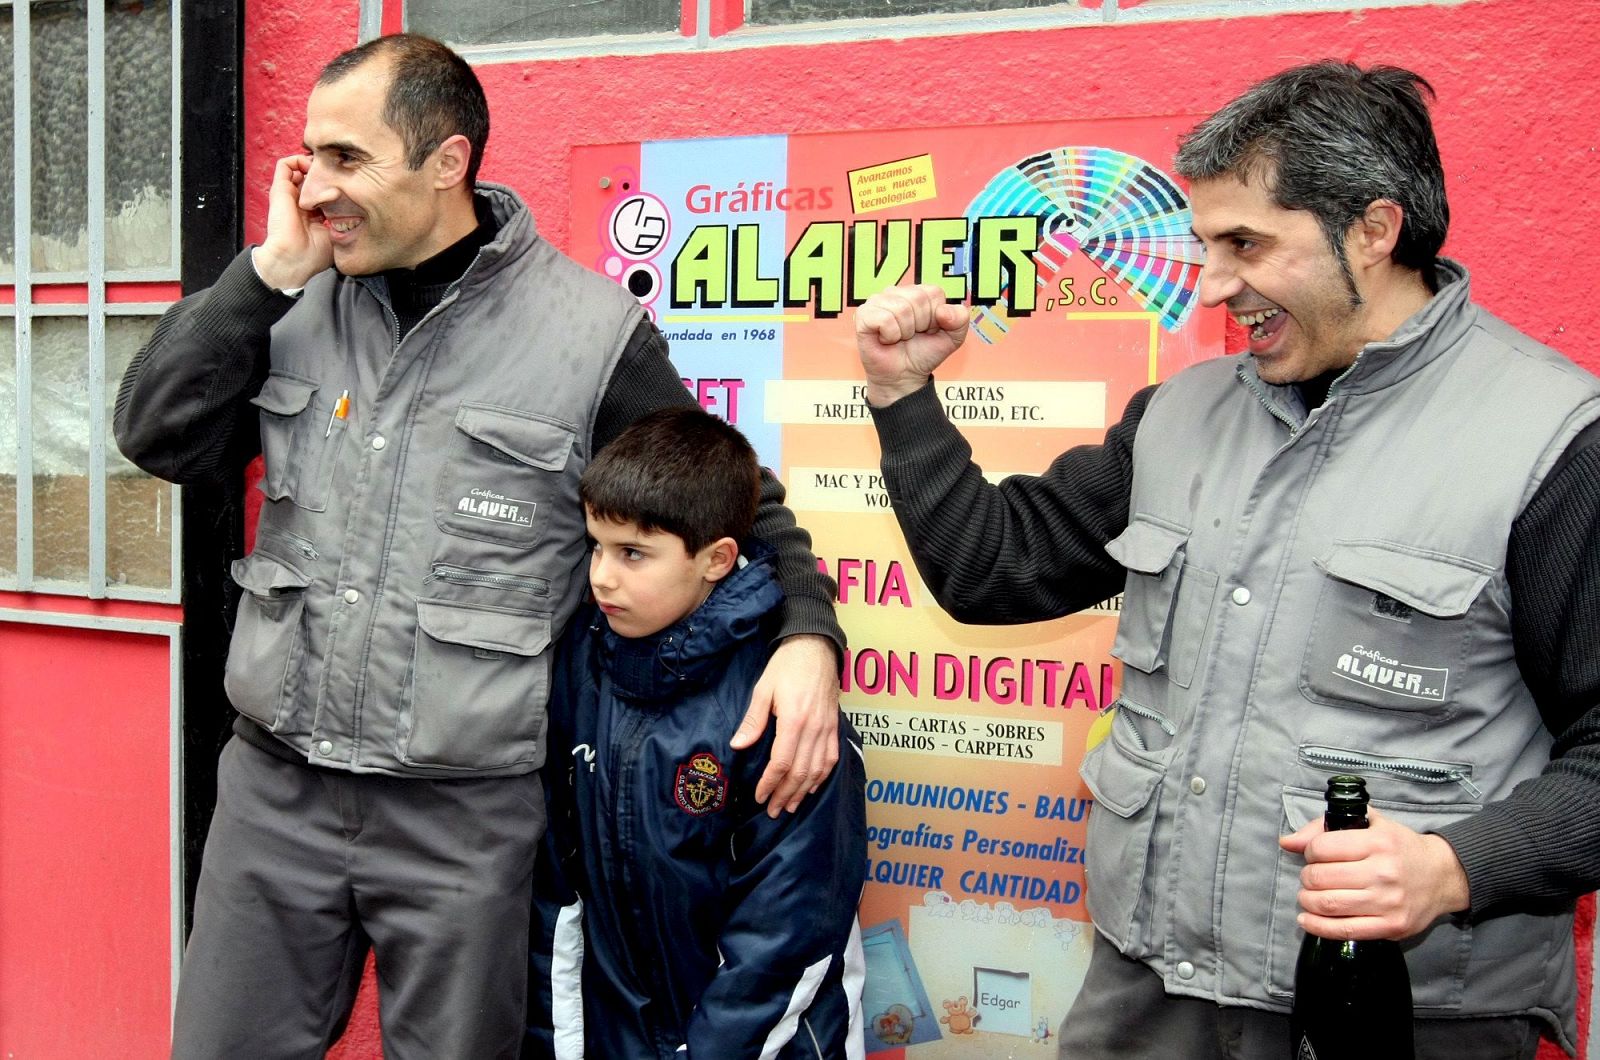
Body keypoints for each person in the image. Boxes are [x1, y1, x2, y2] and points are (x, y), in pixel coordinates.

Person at [113, 33, 844, 1059]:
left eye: (348, 158)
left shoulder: (588, 334)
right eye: (310, 156)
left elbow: (736, 503)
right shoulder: (289, 303)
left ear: (447, 162)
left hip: (466, 818)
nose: (317, 186)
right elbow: (156, 436)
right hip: (276, 792)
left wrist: (808, 636)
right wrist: (267, 272)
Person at [852, 61, 1600, 1059]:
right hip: (1150, 996)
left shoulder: (1551, 440)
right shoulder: (1182, 414)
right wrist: (901, 397)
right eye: (1204, 245)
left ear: (1373, 232)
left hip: (1398, 1012)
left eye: (1245, 244)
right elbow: (991, 567)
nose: (1210, 284)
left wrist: (1453, 866)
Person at [524, 407, 867, 1059]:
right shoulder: (577, 666)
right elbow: (557, 898)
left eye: (633, 553)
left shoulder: (779, 704)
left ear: (717, 560)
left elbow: (788, 936)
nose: (602, 575)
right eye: (596, 545)